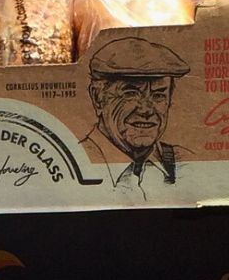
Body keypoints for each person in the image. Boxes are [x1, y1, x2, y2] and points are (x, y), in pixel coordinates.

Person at [80, 37, 191, 197]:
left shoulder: (184, 163)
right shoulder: (75, 159)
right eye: (131, 93)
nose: (146, 110)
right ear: (98, 97)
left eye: (158, 95)